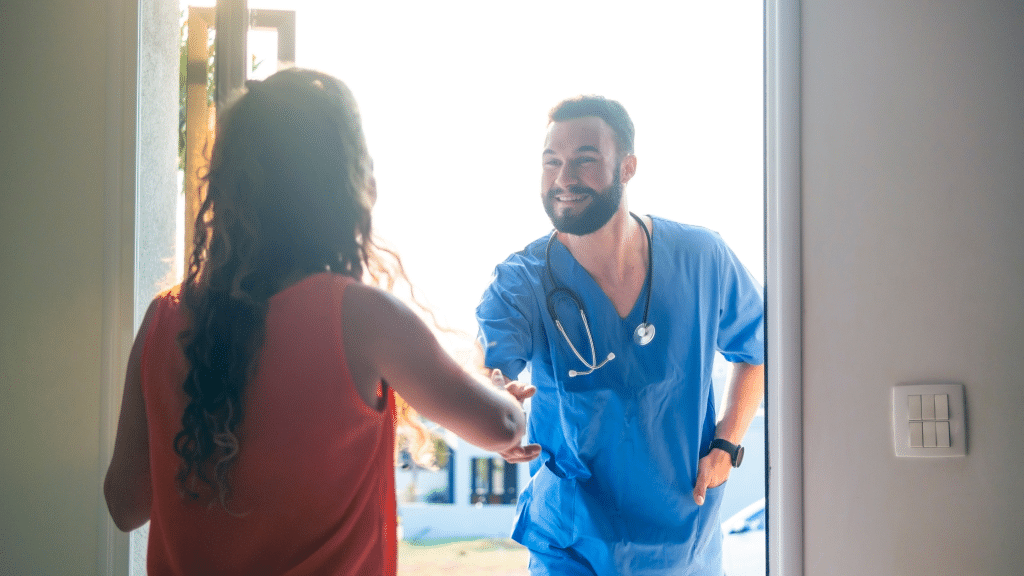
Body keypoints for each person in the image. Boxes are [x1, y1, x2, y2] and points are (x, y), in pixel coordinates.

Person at [103, 68, 531, 576]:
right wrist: (508, 399)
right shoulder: (361, 317)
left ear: (230, 189)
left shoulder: (164, 318)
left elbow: (125, 504)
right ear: (348, 188)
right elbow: (500, 424)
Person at [476, 95, 765, 575]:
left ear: (627, 167)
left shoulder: (702, 257)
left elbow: (757, 347)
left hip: (681, 537)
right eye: (552, 162)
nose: (564, 178)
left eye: (584, 161)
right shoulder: (523, 279)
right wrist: (494, 400)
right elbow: (489, 364)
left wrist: (727, 445)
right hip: (571, 539)